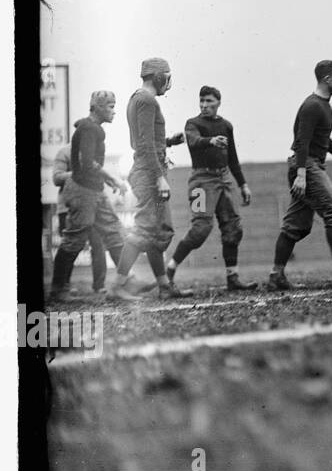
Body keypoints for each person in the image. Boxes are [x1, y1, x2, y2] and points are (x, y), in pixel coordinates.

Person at [269, 60, 332, 290]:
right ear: (326, 79)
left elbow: (324, 140)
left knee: (297, 225)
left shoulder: (324, 106)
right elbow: (302, 142)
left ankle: (276, 275)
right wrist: (302, 175)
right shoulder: (312, 106)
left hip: (307, 166)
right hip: (306, 166)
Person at [165, 86, 258, 292]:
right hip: (202, 180)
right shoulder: (193, 123)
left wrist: (243, 184)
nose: (204, 105)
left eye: (209, 101)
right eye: (202, 101)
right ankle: (169, 271)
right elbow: (194, 141)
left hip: (223, 178)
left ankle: (232, 277)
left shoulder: (226, 125)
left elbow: (232, 157)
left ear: (218, 103)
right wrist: (211, 141)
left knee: (233, 228)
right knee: (201, 229)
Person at [113, 58, 187, 298]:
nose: (168, 81)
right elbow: (144, 144)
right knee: (148, 228)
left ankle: (164, 285)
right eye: (165, 75)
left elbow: (144, 141)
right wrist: (159, 178)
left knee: (156, 229)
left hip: (146, 171)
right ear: (157, 77)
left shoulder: (138, 98)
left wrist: (168, 142)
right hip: (149, 174)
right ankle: (118, 285)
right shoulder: (146, 100)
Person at [49, 91, 128, 300]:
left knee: (114, 231)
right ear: (97, 107)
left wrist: (109, 181)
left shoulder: (91, 128)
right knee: (74, 240)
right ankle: (58, 289)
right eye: (110, 106)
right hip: (83, 190)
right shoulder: (89, 128)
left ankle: (125, 283)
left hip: (93, 189)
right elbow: (87, 163)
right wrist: (113, 179)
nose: (114, 110)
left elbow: (89, 163)